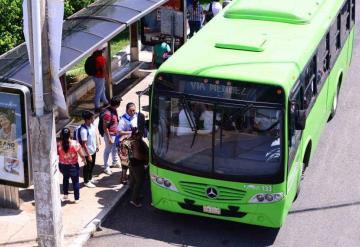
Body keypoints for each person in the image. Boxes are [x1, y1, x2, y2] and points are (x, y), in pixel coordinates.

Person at [57, 128, 86, 203]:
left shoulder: (59, 144)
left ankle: (65, 194)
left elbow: (57, 153)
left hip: (62, 166)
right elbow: (81, 154)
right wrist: (84, 160)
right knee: (75, 182)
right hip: (73, 166)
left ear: (62, 135)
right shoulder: (75, 143)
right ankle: (76, 198)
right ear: (70, 134)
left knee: (65, 179)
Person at [128, 128, 149, 208]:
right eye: (139, 135)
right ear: (135, 135)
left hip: (132, 164)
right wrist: (146, 158)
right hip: (137, 165)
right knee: (139, 182)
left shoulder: (131, 141)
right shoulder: (136, 143)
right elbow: (137, 156)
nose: (141, 136)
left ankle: (135, 194)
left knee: (133, 181)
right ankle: (134, 200)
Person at [79, 111, 100, 188]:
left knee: (92, 165)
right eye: (92, 118)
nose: (93, 119)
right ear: (87, 119)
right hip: (87, 152)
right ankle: (86, 181)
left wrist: (97, 145)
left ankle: (90, 178)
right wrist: (88, 155)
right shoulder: (83, 130)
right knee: (87, 166)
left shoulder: (92, 126)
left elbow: (94, 136)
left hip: (93, 150)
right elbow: (84, 144)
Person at [102, 96, 121, 175]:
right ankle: (106, 167)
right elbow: (105, 127)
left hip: (115, 134)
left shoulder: (114, 110)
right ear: (117, 104)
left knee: (115, 149)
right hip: (110, 135)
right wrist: (109, 138)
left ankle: (115, 162)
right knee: (108, 150)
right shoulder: (107, 114)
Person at [92, 45, 109, 113]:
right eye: (103, 49)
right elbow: (104, 69)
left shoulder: (94, 57)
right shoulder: (101, 59)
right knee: (98, 92)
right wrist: (107, 78)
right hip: (100, 77)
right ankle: (97, 107)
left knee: (102, 89)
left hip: (95, 76)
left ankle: (106, 102)